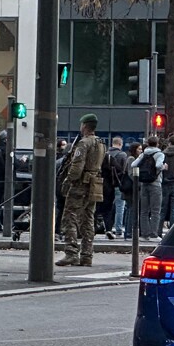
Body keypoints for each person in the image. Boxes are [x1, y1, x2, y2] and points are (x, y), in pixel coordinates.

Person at [56, 114, 108, 266]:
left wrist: (69, 180)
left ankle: (71, 252)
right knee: (88, 220)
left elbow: (77, 166)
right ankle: (87, 254)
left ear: (84, 126)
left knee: (69, 217)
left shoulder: (83, 143)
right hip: (94, 185)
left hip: (80, 185)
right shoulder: (100, 143)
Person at [131, 135, 166, 239]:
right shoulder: (159, 154)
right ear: (157, 144)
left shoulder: (143, 154)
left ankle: (145, 233)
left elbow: (133, 164)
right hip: (155, 183)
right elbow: (158, 166)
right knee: (155, 210)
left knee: (144, 210)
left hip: (144, 183)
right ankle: (154, 233)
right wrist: (164, 167)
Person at [107, 136, 128, 238]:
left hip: (107, 185)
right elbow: (124, 169)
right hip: (119, 184)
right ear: (120, 144)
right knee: (120, 208)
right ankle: (118, 229)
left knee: (108, 208)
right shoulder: (122, 155)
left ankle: (108, 228)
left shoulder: (106, 154)